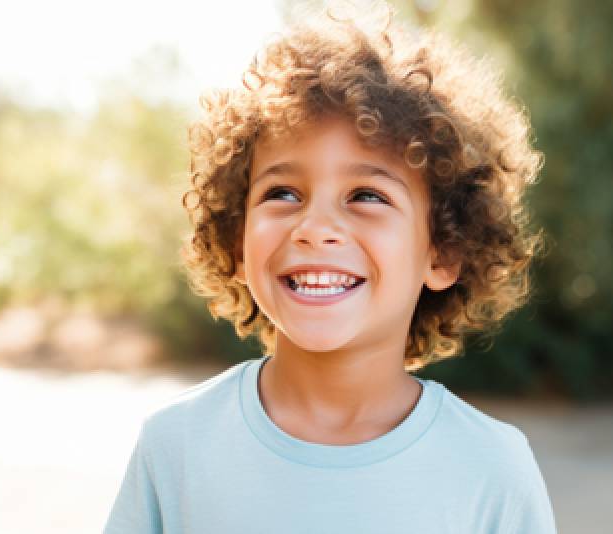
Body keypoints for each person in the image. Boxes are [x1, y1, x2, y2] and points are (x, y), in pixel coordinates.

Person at [103, 2, 556, 532]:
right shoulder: (175, 445)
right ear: (237, 240)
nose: (315, 227)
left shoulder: (492, 469)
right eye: (283, 192)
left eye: (366, 194)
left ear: (444, 251)